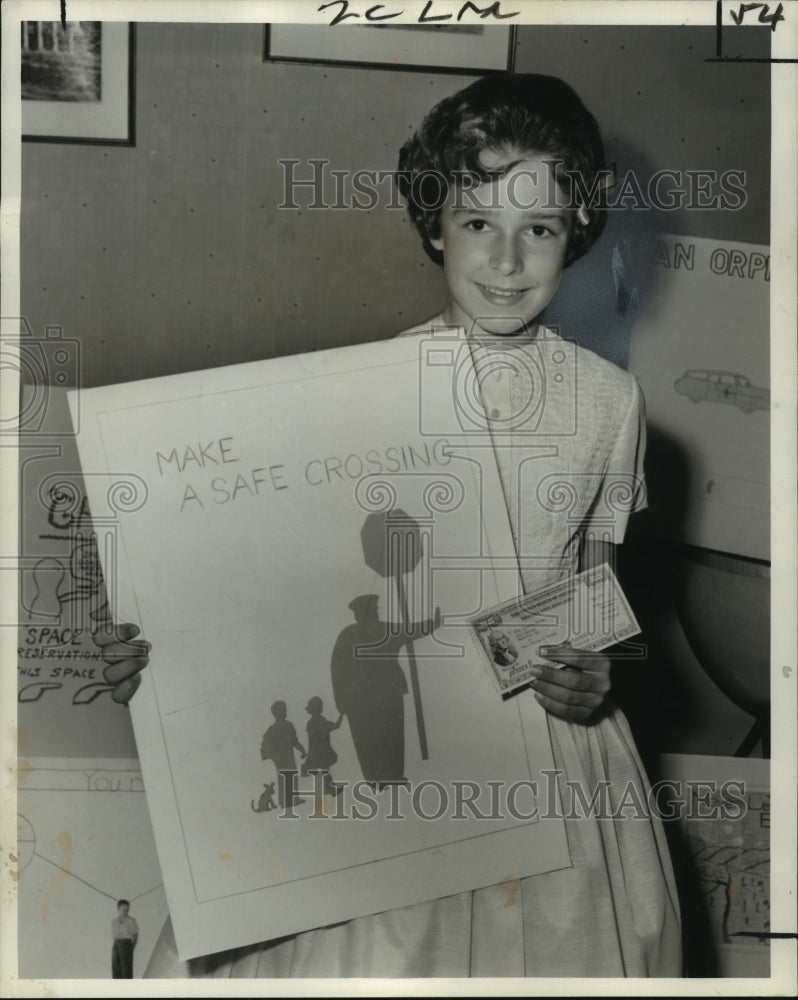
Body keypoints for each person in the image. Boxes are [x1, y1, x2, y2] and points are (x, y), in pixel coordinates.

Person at [105, 73, 682, 978]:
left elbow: (588, 600)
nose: (506, 261)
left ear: (577, 233)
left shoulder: (611, 401)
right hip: (396, 767)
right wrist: (161, 660)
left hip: (552, 764)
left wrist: (591, 675)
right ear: (434, 225)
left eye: (539, 229)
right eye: (478, 223)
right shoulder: (355, 388)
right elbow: (277, 596)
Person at [260, 700, 307, 808]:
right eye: (283, 710)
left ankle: (289, 800)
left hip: (284, 758)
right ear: (279, 712)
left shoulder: (278, 728)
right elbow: (264, 744)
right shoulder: (285, 726)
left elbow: (294, 742)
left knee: (287, 776)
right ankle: (286, 800)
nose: (285, 712)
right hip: (283, 758)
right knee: (287, 776)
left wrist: (303, 750)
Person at [301, 695, 343, 795]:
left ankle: (328, 789)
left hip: (315, 751)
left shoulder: (311, 722)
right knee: (325, 769)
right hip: (321, 751)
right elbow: (335, 726)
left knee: (324, 770)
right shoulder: (318, 721)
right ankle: (329, 789)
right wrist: (341, 717)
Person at [111, 899, 139, 978]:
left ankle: (127, 988)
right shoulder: (114, 922)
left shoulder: (131, 921)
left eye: (127, 910)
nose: (126, 912)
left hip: (126, 945)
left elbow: (135, 936)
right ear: (118, 909)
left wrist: (131, 948)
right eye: (124, 910)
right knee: (115, 967)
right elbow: (114, 936)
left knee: (126, 969)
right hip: (116, 946)